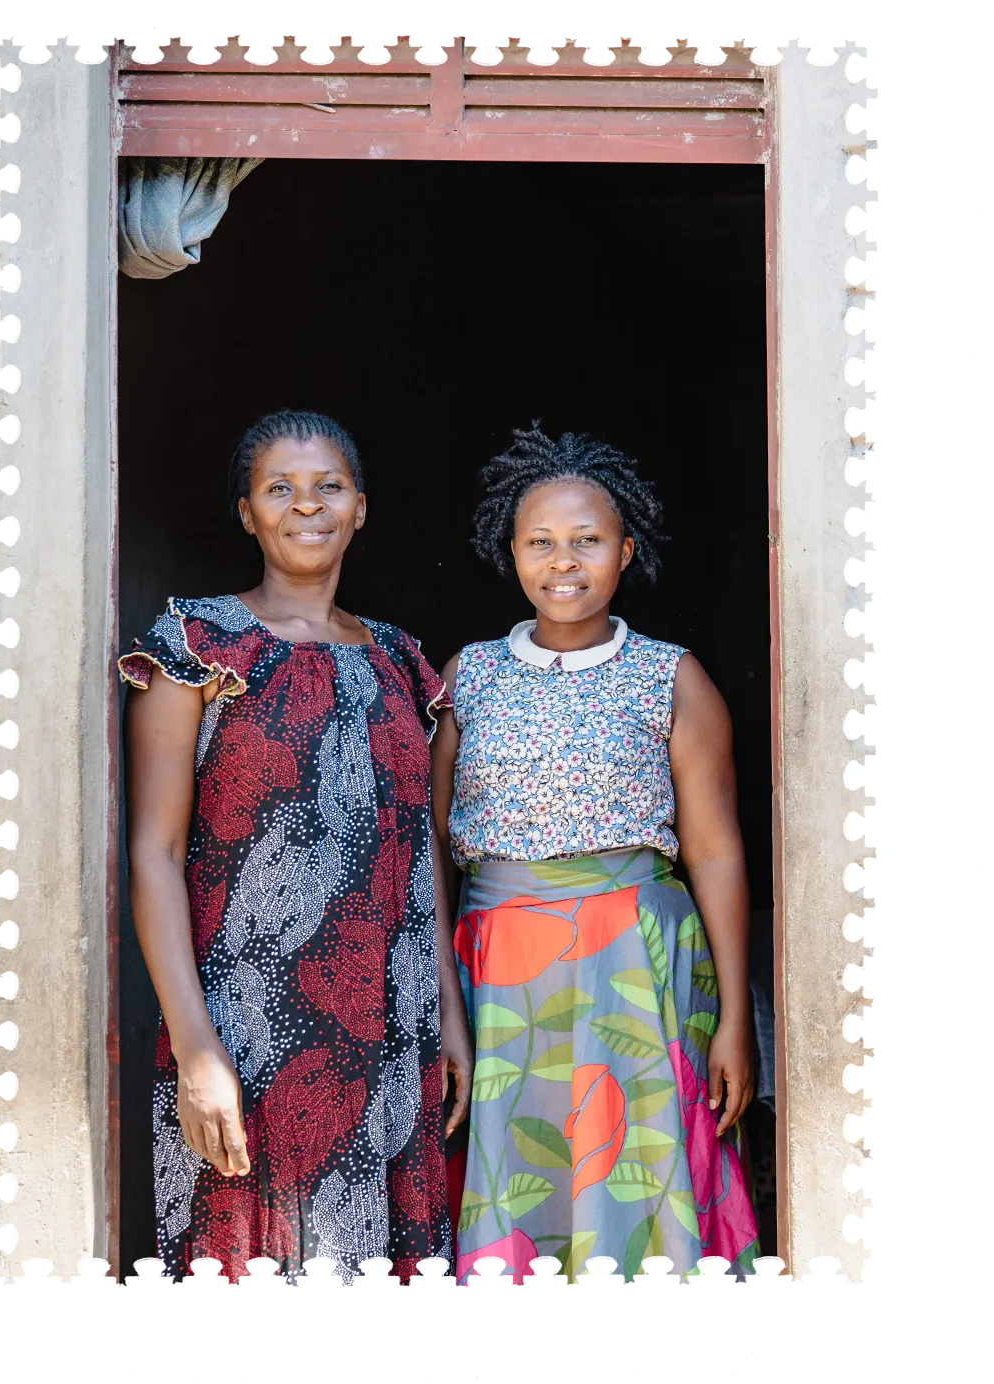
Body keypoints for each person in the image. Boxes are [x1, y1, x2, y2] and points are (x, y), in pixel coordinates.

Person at [121, 409, 472, 1287]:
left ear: (360, 507)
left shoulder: (398, 660)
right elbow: (154, 854)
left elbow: (418, 850)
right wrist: (197, 1048)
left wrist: (449, 1017)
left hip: (391, 1032)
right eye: (279, 488)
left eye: (328, 487)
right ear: (247, 513)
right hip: (247, 1030)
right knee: (254, 1296)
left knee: (374, 1313)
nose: (305, 506)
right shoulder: (196, 646)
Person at [431, 423, 761, 1288]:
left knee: (642, 1165)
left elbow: (717, 851)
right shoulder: (466, 677)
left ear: (624, 551)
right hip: (500, 970)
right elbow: (429, 849)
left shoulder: (670, 676)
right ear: (510, 554)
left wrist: (735, 1017)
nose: (563, 560)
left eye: (587, 540)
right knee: (522, 1166)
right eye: (540, 542)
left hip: (639, 967)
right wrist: (442, 1005)